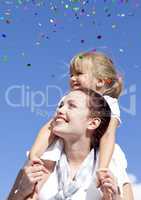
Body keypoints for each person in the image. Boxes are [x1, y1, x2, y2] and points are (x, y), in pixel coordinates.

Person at [29, 51, 130, 188]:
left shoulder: (109, 103)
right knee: (45, 166)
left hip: (101, 152)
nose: (72, 78)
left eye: (79, 74)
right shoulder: (66, 99)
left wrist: (103, 167)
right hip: (64, 148)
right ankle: (36, 190)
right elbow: (49, 128)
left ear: (100, 81)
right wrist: (35, 153)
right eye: (71, 75)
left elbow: (108, 135)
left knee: (115, 169)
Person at [8, 89, 128, 200]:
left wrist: (116, 197)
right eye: (61, 105)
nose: (60, 110)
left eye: (72, 106)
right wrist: (21, 193)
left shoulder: (111, 160)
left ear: (92, 123)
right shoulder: (40, 159)